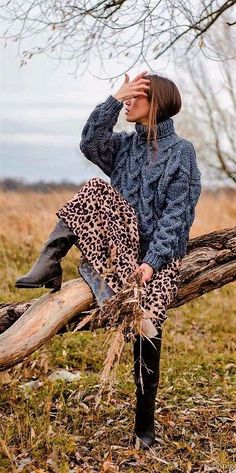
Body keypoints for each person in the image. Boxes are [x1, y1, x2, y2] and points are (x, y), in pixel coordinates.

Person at [15, 70, 202, 449]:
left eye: (136, 98)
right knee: (98, 187)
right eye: (128, 98)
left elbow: (178, 214)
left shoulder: (182, 153)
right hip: (119, 248)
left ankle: (144, 428)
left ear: (158, 104)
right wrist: (115, 99)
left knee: (147, 327)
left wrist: (152, 261)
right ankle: (51, 258)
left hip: (158, 257)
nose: (130, 103)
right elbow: (90, 142)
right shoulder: (123, 147)